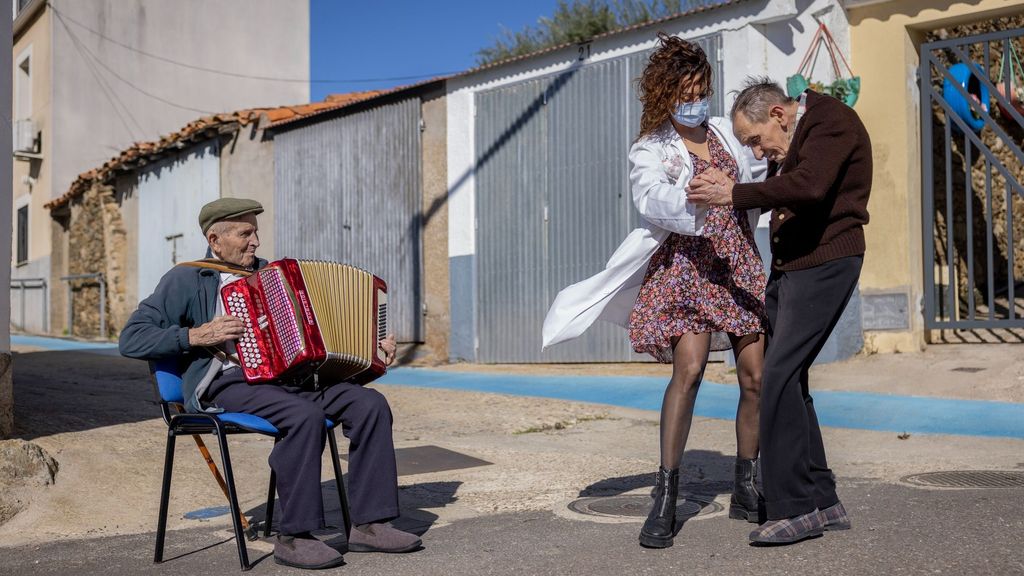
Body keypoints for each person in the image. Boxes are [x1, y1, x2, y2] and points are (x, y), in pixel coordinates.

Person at [542, 33, 768, 549]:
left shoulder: (724, 134)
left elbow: (755, 173)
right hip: (688, 263)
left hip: (736, 259)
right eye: (687, 88)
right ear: (667, 93)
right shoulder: (650, 146)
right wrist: (699, 194)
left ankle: (746, 484)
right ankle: (665, 494)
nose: (696, 97)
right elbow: (650, 198)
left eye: (703, 86)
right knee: (687, 371)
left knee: (755, 375)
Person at [120, 198, 421, 569]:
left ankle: (371, 525)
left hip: (292, 381)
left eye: (256, 232)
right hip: (230, 383)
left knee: (370, 404)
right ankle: (294, 537)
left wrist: (372, 350)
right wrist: (197, 335)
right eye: (245, 233)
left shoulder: (274, 276)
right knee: (303, 416)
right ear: (215, 239)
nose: (255, 241)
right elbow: (132, 338)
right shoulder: (186, 278)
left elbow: (318, 340)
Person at [687, 77, 871, 545]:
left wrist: (733, 194)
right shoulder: (795, 135)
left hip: (827, 261)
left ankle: (796, 506)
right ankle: (823, 501)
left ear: (777, 115)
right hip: (794, 265)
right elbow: (783, 187)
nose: (754, 152)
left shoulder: (831, 120)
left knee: (778, 376)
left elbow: (808, 188)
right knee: (786, 375)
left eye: (754, 140)